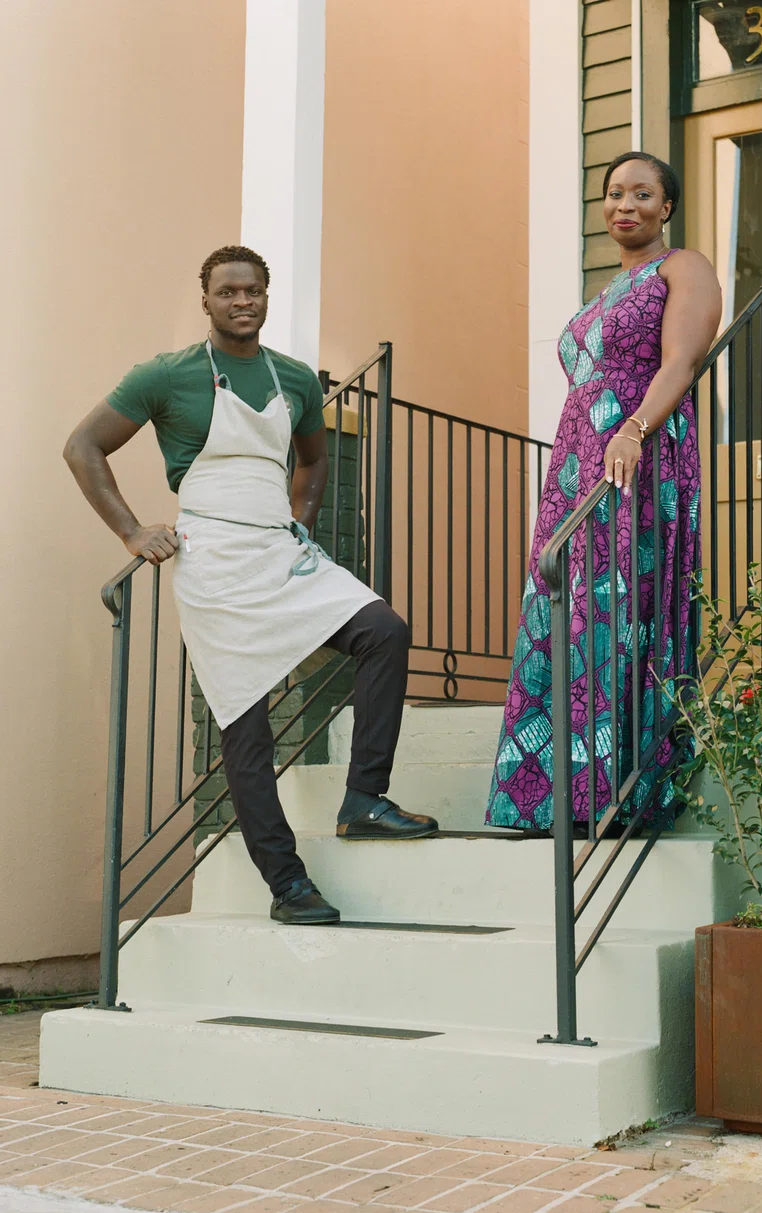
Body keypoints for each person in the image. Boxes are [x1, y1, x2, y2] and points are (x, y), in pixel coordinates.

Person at [64, 245, 438, 924]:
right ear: (205, 300)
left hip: (278, 550)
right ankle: (288, 886)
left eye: (253, 292)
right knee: (245, 722)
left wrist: (302, 520)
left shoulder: (294, 378)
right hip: (214, 563)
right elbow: (82, 446)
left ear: (267, 296)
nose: (242, 302)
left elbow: (314, 460)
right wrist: (130, 531)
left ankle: (364, 800)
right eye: (228, 292)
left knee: (382, 629)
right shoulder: (165, 376)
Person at [486, 153, 721, 833]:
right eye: (615, 193)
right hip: (577, 471)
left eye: (643, 194)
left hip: (636, 458)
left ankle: (628, 788)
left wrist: (634, 431)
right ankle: (555, 797)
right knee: (567, 612)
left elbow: (681, 358)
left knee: (623, 608)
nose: (626, 205)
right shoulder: (602, 293)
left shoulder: (682, 268)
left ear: (667, 207)